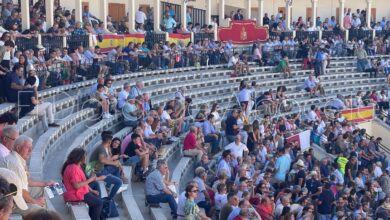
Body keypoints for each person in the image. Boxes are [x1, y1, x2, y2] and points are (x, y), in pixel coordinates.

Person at [0, 135, 55, 215]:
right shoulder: (16, 164)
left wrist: (44, 184)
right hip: (7, 200)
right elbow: (21, 191)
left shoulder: (17, 158)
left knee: (41, 189)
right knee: (38, 209)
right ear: (18, 148)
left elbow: (26, 181)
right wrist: (36, 202)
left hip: (12, 193)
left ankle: (45, 213)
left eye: (31, 148)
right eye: (27, 148)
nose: (31, 151)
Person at [62, 148, 104, 220]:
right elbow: (76, 186)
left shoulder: (75, 166)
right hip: (75, 194)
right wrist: (91, 179)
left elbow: (82, 181)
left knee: (96, 199)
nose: (86, 158)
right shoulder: (73, 168)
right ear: (80, 157)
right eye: (85, 156)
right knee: (99, 203)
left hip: (80, 192)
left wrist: (92, 191)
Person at [86, 131, 124, 199]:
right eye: (112, 141)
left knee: (115, 169)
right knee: (119, 182)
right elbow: (102, 160)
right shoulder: (101, 149)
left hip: (98, 170)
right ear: (109, 142)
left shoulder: (102, 147)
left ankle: (109, 187)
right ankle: (109, 199)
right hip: (95, 172)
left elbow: (105, 159)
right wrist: (114, 163)